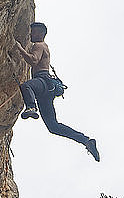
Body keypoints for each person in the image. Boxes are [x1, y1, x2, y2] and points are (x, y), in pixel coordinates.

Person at [15, 22, 100, 162]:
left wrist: (20, 49)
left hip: (42, 80)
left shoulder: (39, 45)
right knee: (53, 126)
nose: (31, 34)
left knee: (26, 86)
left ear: (41, 33)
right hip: (47, 89)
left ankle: (31, 107)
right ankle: (86, 141)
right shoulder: (45, 47)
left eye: (34, 32)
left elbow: (34, 60)